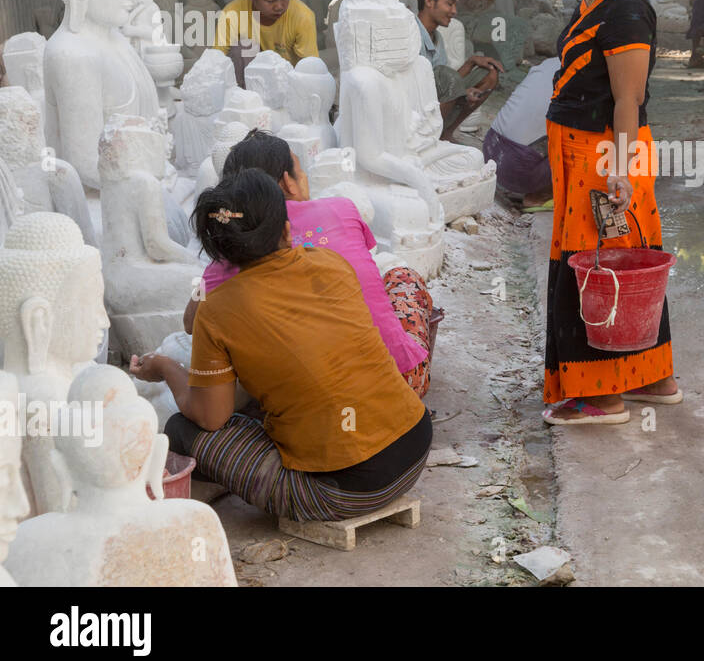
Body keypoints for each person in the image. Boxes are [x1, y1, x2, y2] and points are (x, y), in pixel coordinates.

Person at [129, 169, 432, 522]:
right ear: (287, 229)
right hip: (415, 445)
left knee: (183, 430)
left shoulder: (217, 310)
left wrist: (166, 367)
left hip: (347, 491)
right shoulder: (331, 263)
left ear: (221, 256)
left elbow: (210, 418)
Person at [540, 0, 680, 426]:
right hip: (590, 157)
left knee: (597, 267)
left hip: (605, 159)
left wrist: (619, 173)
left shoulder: (624, 11)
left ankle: (601, 395)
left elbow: (628, 99)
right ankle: (651, 377)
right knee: (627, 259)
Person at [182, 129, 441, 398]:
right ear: (288, 182)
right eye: (300, 169)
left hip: (316, 402)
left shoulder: (233, 251)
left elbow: (191, 324)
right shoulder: (339, 209)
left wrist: (215, 270)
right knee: (400, 276)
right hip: (401, 385)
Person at [414, 0, 505, 140]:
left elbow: (442, 83)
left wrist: (470, 63)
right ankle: (428, 138)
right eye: (450, 4)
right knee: (448, 76)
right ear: (429, 1)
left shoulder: (437, 37)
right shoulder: (411, 34)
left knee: (489, 73)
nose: (454, 11)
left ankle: (446, 133)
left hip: (433, 99)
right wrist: (462, 93)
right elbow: (415, 89)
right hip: (414, 109)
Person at [214, 0, 320, 73]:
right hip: (248, 85)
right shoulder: (232, 14)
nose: (279, 6)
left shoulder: (302, 16)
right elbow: (216, 59)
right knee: (243, 47)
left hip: (288, 82)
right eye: (270, 1)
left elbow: (311, 67)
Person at [482, 56, 561, 210]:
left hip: (491, 149)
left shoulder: (552, 61)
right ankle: (539, 196)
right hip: (520, 169)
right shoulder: (588, 75)